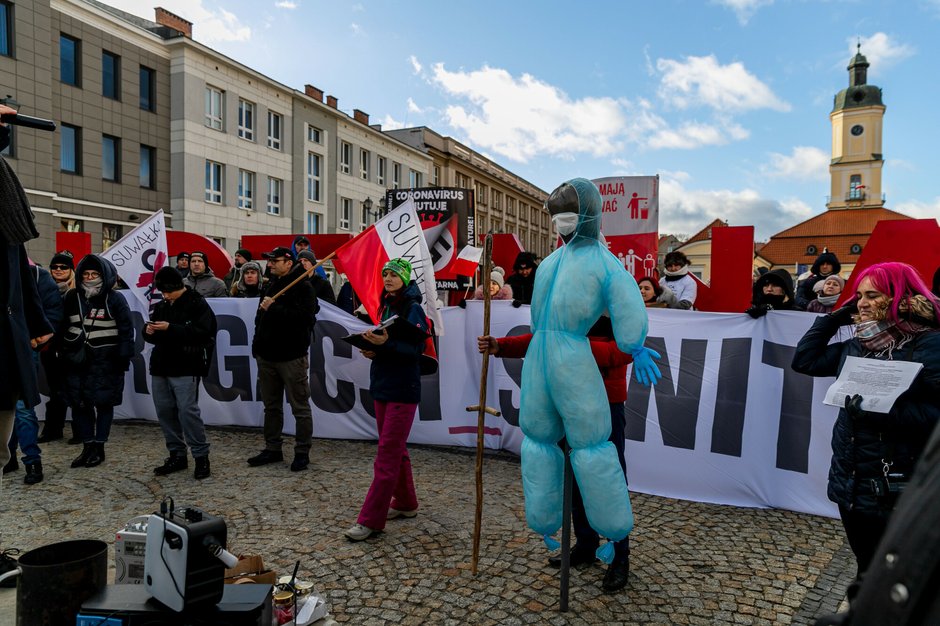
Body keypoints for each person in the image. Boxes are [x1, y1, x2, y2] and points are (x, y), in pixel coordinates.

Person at [792, 262, 940, 585]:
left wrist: (886, 413)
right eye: (858, 296)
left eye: (872, 295)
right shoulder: (859, 341)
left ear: (900, 297)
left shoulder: (929, 344)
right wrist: (834, 318)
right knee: (865, 574)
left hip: (898, 489)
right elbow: (804, 360)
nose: (861, 303)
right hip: (852, 485)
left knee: (894, 583)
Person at [477, 315, 634, 592]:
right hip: (566, 399)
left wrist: (572, 348)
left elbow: (625, 350)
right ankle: (586, 544)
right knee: (571, 475)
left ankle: (619, 558)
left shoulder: (614, 297)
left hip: (603, 403)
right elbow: (543, 340)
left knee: (607, 481)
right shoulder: (568, 295)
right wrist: (501, 345)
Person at [344, 258, 430, 541]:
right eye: (386, 274)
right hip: (382, 384)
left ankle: (371, 520)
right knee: (394, 449)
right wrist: (373, 349)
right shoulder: (385, 304)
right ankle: (406, 503)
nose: (388, 278)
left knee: (387, 456)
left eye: (394, 274)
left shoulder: (413, 308)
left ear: (405, 279)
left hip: (403, 390)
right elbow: (389, 346)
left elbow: (415, 351)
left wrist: (386, 345)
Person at [0, 110, 54, 473]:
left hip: (5, 347)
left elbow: (20, 268)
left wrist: (36, 321)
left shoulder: (8, 216)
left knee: (0, 451)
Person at [59, 255, 134, 468]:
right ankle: (87, 446)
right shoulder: (72, 297)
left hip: (106, 361)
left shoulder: (114, 298)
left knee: (103, 404)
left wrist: (123, 357)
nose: (90, 277)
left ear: (104, 275)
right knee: (79, 404)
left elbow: (127, 330)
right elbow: (62, 324)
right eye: (86, 274)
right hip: (77, 360)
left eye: (95, 274)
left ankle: (99, 448)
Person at [248, 247, 317, 471]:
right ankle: (273, 448)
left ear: (289, 263)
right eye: (269, 261)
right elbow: (260, 318)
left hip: (291, 356)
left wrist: (275, 307)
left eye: (274, 261)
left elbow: (306, 319)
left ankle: (302, 451)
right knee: (271, 406)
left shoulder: (303, 287)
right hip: (267, 355)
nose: (270, 265)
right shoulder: (270, 284)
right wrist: (257, 346)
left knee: (300, 407)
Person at [145, 267, 218, 480]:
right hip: (161, 365)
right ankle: (177, 454)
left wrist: (170, 328)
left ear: (179, 287)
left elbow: (205, 333)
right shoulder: (161, 306)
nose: (165, 296)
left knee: (188, 412)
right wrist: (148, 331)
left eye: (168, 292)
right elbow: (155, 336)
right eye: (163, 292)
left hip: (186, 364)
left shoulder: (197, 303)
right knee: (165, 412)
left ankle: (201, 456)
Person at [5, 264, 62, 484]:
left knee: (23, 409)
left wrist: (36, 339)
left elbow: (52, 317)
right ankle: (8, 457)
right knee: (5, 409)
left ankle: (32, 461)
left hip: (25, 350)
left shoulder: (39, 276)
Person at [38, 250, 80, 443]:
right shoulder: (42, 289)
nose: (58, 270)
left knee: (75, 390)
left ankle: (82, 431)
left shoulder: (78, 291)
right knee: (55, 390)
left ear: (71, 270)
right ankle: (53, 429)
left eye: (63, 267)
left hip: (72, 347)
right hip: (49, 348)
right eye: (55, 267)